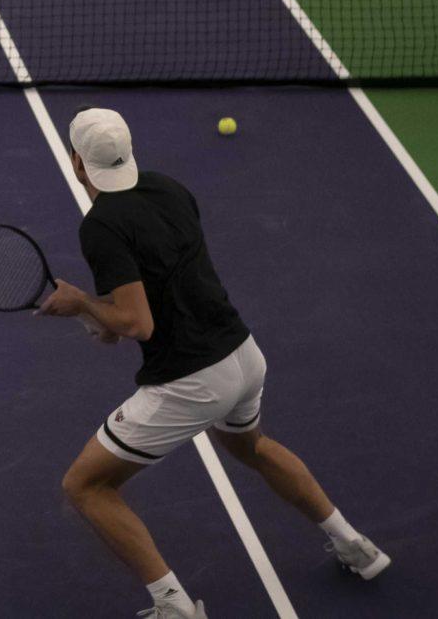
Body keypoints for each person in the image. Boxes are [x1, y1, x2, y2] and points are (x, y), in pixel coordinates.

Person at [36, 108, 388, 619]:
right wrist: (104, 318)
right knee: (254, 448)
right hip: (243, 356)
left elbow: (138, 324)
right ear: (128, 153)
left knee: (85, 486)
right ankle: (356, 545)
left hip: (191, 382)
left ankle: (174, 607)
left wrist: (82, 304)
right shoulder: (169, 188)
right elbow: (158, 291)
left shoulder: (102, 227)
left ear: (77, 163)